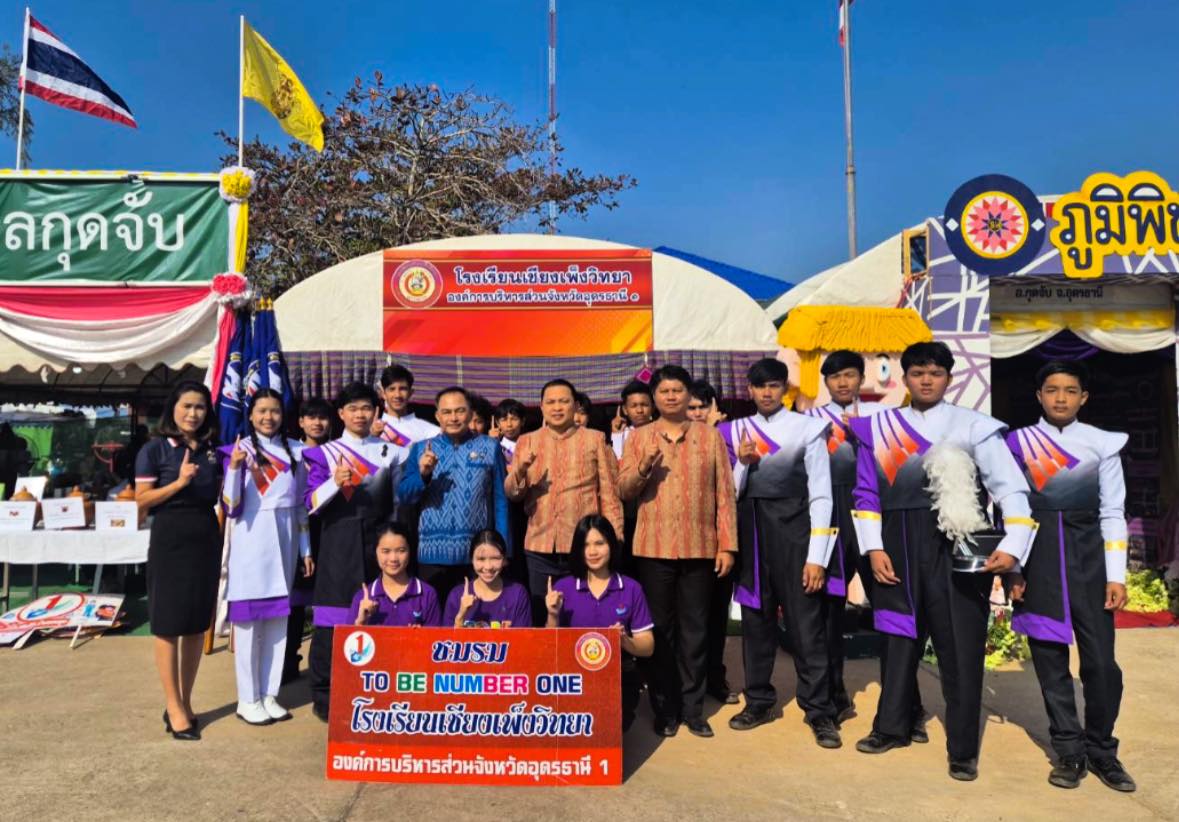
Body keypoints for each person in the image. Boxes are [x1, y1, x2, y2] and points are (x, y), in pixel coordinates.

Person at [849, 341, 1035, 781]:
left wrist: (1014, 548)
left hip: (960, 548)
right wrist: (874, 548)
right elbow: (865, 493)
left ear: (949, 378)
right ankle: (891, 727)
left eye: (935, 373)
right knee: (897, 640)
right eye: (917, 373)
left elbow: (1009, 489)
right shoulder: (877, 428)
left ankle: (963, 749)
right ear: (905, 379)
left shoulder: (975, 426)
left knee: (960, 648)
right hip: (896, 545)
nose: (926, 380)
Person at [1006, 361, 1135, 792]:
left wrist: (1115, 576)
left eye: (1070, 390)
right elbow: (1009, 510)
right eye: (1052, 389)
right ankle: (1069, 752)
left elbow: (1113, 512)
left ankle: (1102, 749)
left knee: (1101, 665)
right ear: (1038, 395)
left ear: (1084, 397)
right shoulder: (1017, 444)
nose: (1060, 398)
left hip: (1089, 563)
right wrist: (1014, 570)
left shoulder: (1103, 444)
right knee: (1050, 663)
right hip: (1038, 561)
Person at [719, 358, 841, 747]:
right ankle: (758, 701)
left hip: (796, 537)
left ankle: (819, 711)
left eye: (774, 385)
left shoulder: (808, 428)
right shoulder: (735, 430)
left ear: (785, 389)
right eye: (760, 386)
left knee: (807, 628)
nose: (767, 392)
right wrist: (742, 463)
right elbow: (729, 493)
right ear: (750, 391)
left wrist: (817, 556)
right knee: (756, 625)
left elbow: (822, 494)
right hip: (753, 537)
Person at [806, 350, 927, 735]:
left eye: (849, 375)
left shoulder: (884, 419)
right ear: (825, 382)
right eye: (834, 376)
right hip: (828, 517)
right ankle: (832, 700)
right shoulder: (808, 421)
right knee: (827, 614)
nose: (843, 382)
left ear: (862, 378)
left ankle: (907, 706)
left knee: (893, 611)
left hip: (875, 517)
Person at [619, 364, 737, 738]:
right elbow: (624, 490)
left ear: (688, 395)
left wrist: (727, 546)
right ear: (654, 397)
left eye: (677, 390)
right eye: (664, 391)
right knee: (660, 631)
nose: (671, 396)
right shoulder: (638, 438)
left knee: (696, 631)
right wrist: (642, 468)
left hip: (700, 548)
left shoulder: (710, 437)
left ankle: (693, 709)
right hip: (653, 549)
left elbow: (725, 494)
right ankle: (665, 707)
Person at [303, 382, 400, 721]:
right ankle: (325, 696)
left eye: (366, 408)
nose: (360, 414)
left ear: (376, 411)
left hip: (380, 543)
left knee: (380, 616)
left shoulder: (391, 452)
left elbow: (397, 502)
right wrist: (334, 482)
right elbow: (311, 504)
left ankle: (373, 690)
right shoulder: (324, 453)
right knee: (332, 620)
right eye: (353, 408)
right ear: (341, 414)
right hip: (338, 542)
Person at [134, 381, 224, 741]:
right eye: (186, 406)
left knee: (196, 624)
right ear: (173, 408)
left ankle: (185, 700)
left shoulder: (212, 450)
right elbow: (141, 501)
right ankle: (173, 706)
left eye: (200, 407)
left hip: (205, 534)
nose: (193, 413)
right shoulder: (154, 449)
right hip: (170, 535)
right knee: (169, 623)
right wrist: (179, 483)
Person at [220, 390, 313, 726]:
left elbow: (301, 504)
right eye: (261, 411)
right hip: (251, 544)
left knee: (277, 623)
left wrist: (305, 549)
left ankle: (269, 694)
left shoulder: (297, 452)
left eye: (274, 411)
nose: (268, 417)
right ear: (251, 414)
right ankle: (248, 698)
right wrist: (234, 468)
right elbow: (231, 506)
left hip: (285, 543)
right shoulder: (238, 450)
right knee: (248, 626)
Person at [505, 379, 624, 619]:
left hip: (584, 545)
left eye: (563, 401)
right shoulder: (527, 441)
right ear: (541, 407)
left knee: (583, 613)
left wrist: (615, 536)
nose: (557, 408)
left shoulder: (595, 439)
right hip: (539, 544)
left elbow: (610, 493)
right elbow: (513, 494)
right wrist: (520, 470)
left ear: (576, 405)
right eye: (550, 402)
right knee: (543, 613)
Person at [546, 515, 654, 732]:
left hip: (618, 674)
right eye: (585, 545)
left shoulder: (631, 588)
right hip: (573, 677)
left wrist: (624, 641)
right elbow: (549, 648)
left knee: (609, 730)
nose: (592, 551)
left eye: (599, 543)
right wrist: (553, 615)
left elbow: (648, 646)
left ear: (611, 545)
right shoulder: (564, 588)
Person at [399, 387, 510, 597]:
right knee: (433, 614)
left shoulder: (490, 447)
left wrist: (503, 548)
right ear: (437, 416)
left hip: (478, 557)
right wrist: (423, 474)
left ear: (470, 413)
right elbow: (405, 495)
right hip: (431, 556)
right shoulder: (421, 449)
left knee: (474, 615)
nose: (453, 418)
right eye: (447, 412)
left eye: (460, 411)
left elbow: (500, 502)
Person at [686, 379, 737, 705]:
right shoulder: (674, 438)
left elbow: (734, 487)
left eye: (702, 407)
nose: (696, 413)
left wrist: (715, 433)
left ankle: (715, 678)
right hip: (688, 544)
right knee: (691, 619)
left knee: (717, 615)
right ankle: (689, 682)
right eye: (691, 407)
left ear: (714, 408)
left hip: (721, 541)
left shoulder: (729, 437)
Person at [283, 397, 332, 684]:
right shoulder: (291, 452)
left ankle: (322, 664)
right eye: (311, 417)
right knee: (295, 602)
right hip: (299, 531)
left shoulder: (337, 451)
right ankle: (289, 661)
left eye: (322, 417)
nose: (317, 423)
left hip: (329, 530)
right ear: (301, 422)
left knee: (326, 601)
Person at [350, 522, 441, 627]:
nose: (393, 558)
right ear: (375, 552)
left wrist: (421, 635)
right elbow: (347, 637)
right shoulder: (362, 597)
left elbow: (436, 637)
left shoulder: (428, 594)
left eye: (401, 550)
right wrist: (360, 622)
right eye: (386, 551)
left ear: (410, 551)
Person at [443, 529, 532, 627]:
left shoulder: (518, 594)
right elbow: (446, 636)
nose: (488, 567)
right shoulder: (456, 596)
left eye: (495, 558)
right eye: (481, 559)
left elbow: (523, 636)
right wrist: (461, 616)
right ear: (472, 560)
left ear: (504, 560)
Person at [373, 364, 440, 446]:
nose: (397, 395)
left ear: (410, 393)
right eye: (392, 389)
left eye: (402, 389)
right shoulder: (371, 429)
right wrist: (372, 437)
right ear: (383, 394)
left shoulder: (429, 430)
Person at [611, 380, 654, 459]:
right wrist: (617, 435)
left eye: (644, 405)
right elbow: (618, 461)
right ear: (625, 410)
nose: (639, 410)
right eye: (634, 406)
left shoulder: (661, 431)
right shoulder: (622, 435)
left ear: (653, 407)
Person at [494, 398, 526, 464]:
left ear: (522, 421)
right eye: (504, 420)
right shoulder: (494, 448)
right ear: (497, 423)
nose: (509, 424)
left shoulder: (530, 447)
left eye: (514, 419)